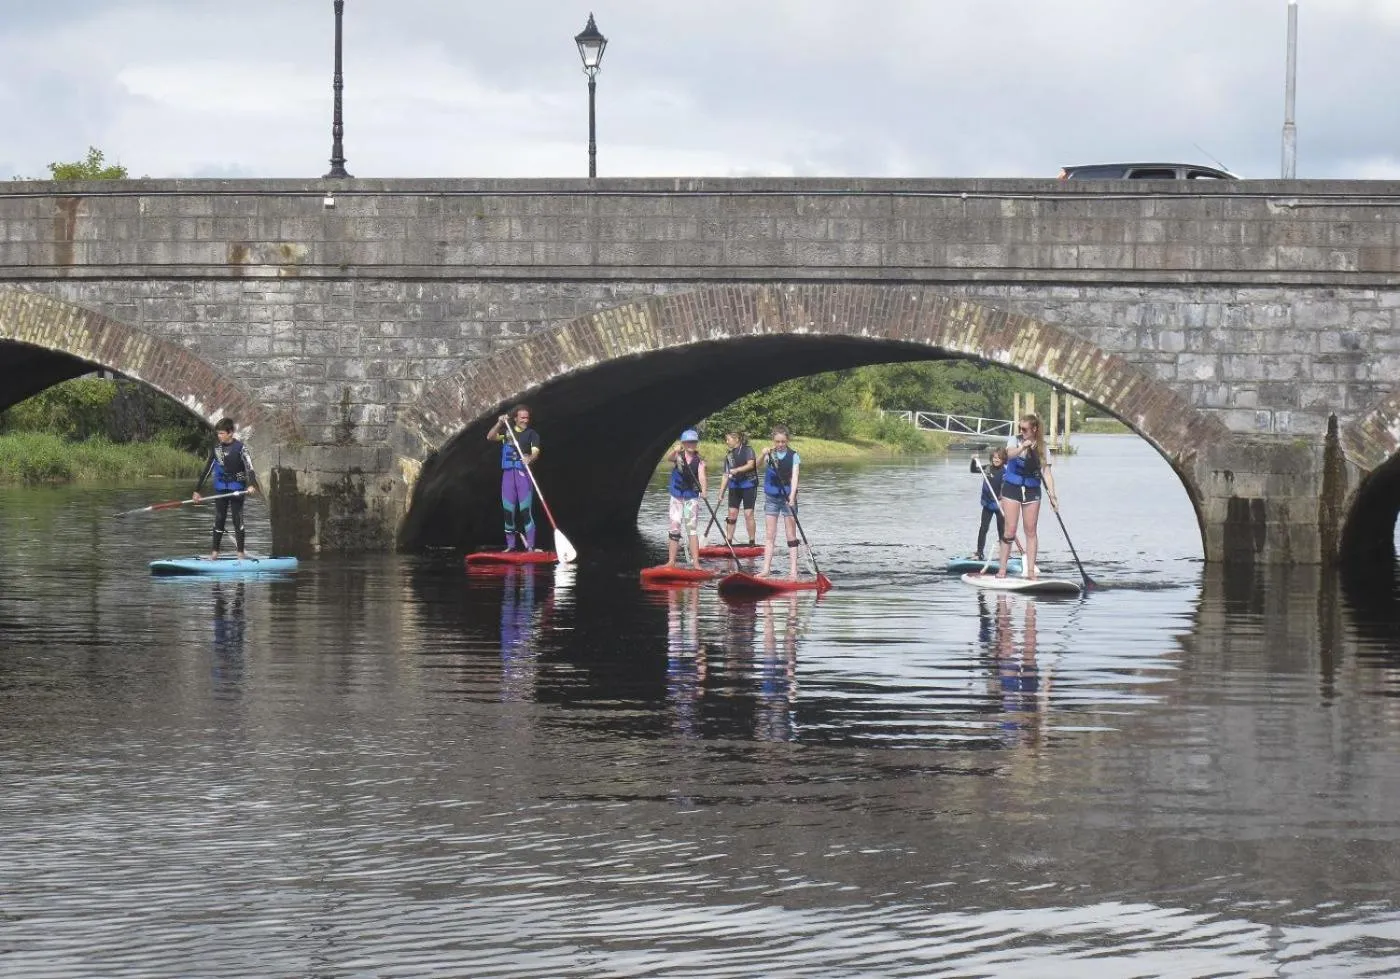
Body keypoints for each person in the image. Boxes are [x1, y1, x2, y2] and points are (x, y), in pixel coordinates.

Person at [996, 412, 1059, 581]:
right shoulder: (1014, 441)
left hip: (1032, 489)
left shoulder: (1043, 447)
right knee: (1010, 530)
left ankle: (1030, 571)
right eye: (1020, 429)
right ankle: (1002, 570)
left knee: (1031, 531)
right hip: (1012, 487)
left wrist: (1053, 496)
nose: (1022, 432)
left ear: (1034, 429)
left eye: (1025, 429)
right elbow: (1008, 455)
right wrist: (1023, 447)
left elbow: (1047, 473)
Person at [192, 417, 259, 560]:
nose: (219, 436)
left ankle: (240, 555)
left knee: (237, 519)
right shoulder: (216, 450)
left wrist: (252, 484)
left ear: (231, 433)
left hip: (237, 488)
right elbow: (207, 471)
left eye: (222, 433)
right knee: (219, 519)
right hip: (221, 489)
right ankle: (214, 554)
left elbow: (250, 468)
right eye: (218, 433)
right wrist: (197, 491)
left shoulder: (241, 448)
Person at [487, 404, 540, 551]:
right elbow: (490, 437)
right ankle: (510, 546)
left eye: (527, 418)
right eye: (522, 418)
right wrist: (499, 422)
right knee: (508, 512)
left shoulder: (532, 434)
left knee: (525, 512)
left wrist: (529, 457)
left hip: (523, 476)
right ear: (515, 418)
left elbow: (535, 452)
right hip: (508, 476)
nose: (525, 420)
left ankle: (531, 546)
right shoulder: (507, 433)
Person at [757, 425, 802, 579]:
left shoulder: (794, 456)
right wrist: (762, 455)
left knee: (791, 535)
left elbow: (795, 477)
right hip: (771, 498)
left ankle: (793, 571)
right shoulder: (769, 454)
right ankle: (766, 569)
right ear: (773, 441)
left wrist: (792, 496)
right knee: (770, 535)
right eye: (777, 441)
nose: (780, 444)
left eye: (783, 441)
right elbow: (756, 466)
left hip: (788, 498)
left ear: (787, 440)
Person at [666, 429, 708, 568]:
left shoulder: (700, 461)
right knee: (674, 527)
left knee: (692, 528)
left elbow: (702, 476)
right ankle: (671, 561)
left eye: (693, 442)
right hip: (677, 495)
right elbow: (669, 458)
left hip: (691, 497)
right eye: (688, 442)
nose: (691, 444)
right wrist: (675, 450)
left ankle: (695, 562)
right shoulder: (678, 455)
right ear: (683, 443)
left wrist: (704, 490)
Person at [718, 430, 758, 546]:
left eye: (728, 439)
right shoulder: (729, 455)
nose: (726, 441)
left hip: (749, 485)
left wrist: (737, 470)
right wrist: (721, 493)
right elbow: (726, 475)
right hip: (734, 486)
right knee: (732, 513)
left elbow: (751, 465)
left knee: (748, 513)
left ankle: (752, 541)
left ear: (737, 439)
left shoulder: (748, 450)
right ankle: (729, 540)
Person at [971, 447, 1008, 561]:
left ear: (1003, 460)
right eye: (994, 458)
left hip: (999, 505)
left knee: (1001, 530)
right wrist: (974, 460)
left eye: (999, 458)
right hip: (987, 504)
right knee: (983, 528)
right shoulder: (987, 468)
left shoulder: (1004, 472)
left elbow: (1004, 487)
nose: (996, 460)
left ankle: (1004, 554)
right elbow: (973, 470)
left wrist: (1001, 498)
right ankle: (979, 553)